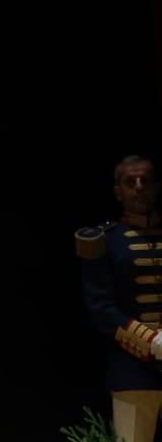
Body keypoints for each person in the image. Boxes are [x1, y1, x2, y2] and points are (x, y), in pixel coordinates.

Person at [78, 155, 162, 442]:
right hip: (133, 369)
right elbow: (101, 309)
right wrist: (151, 341)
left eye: (145, 180)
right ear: (118, 192)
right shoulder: (105, 240)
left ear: (156, 186)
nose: (139, 187)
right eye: (130, 182)